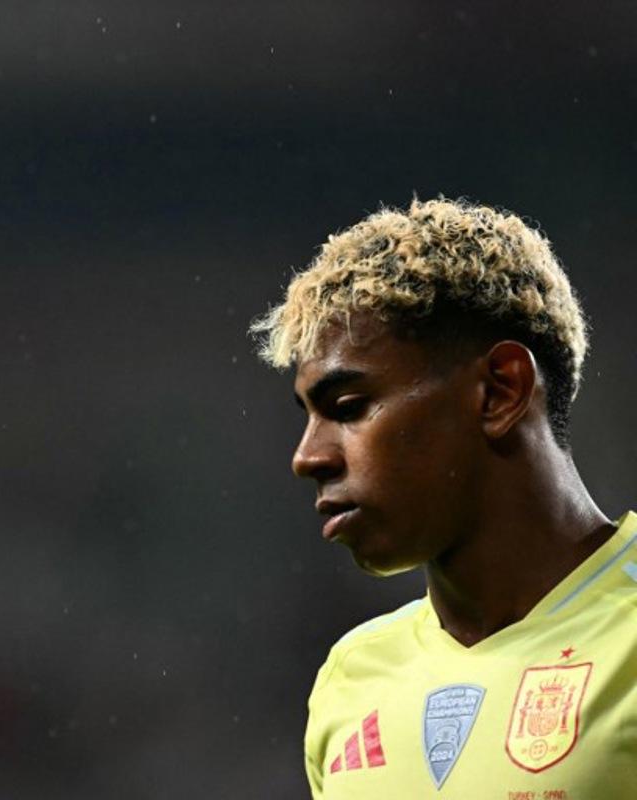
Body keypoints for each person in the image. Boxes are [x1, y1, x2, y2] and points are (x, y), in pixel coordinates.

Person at [248, 197, 636, 798]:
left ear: (499, 392)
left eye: (348, 408)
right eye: (309, 418)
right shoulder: (353, 679)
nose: (307, 457)